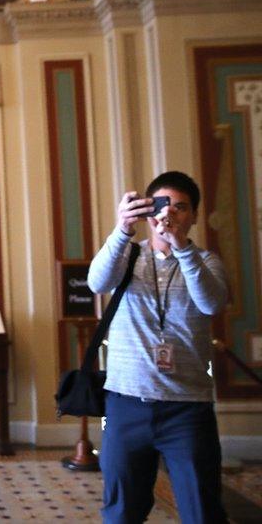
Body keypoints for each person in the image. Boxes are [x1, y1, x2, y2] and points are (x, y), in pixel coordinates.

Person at [87, 171, 228, 523]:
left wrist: (181, 247)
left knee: (202, 511)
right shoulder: (127, 256)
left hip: (187, 409)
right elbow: (97, 282)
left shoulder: (206, 262)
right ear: (148, 211)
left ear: (193, 215)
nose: (171, 215)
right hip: (125, 403)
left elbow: (212, 303)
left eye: (181, 208)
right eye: (164, 206)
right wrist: (122, 229)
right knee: (121, 511)